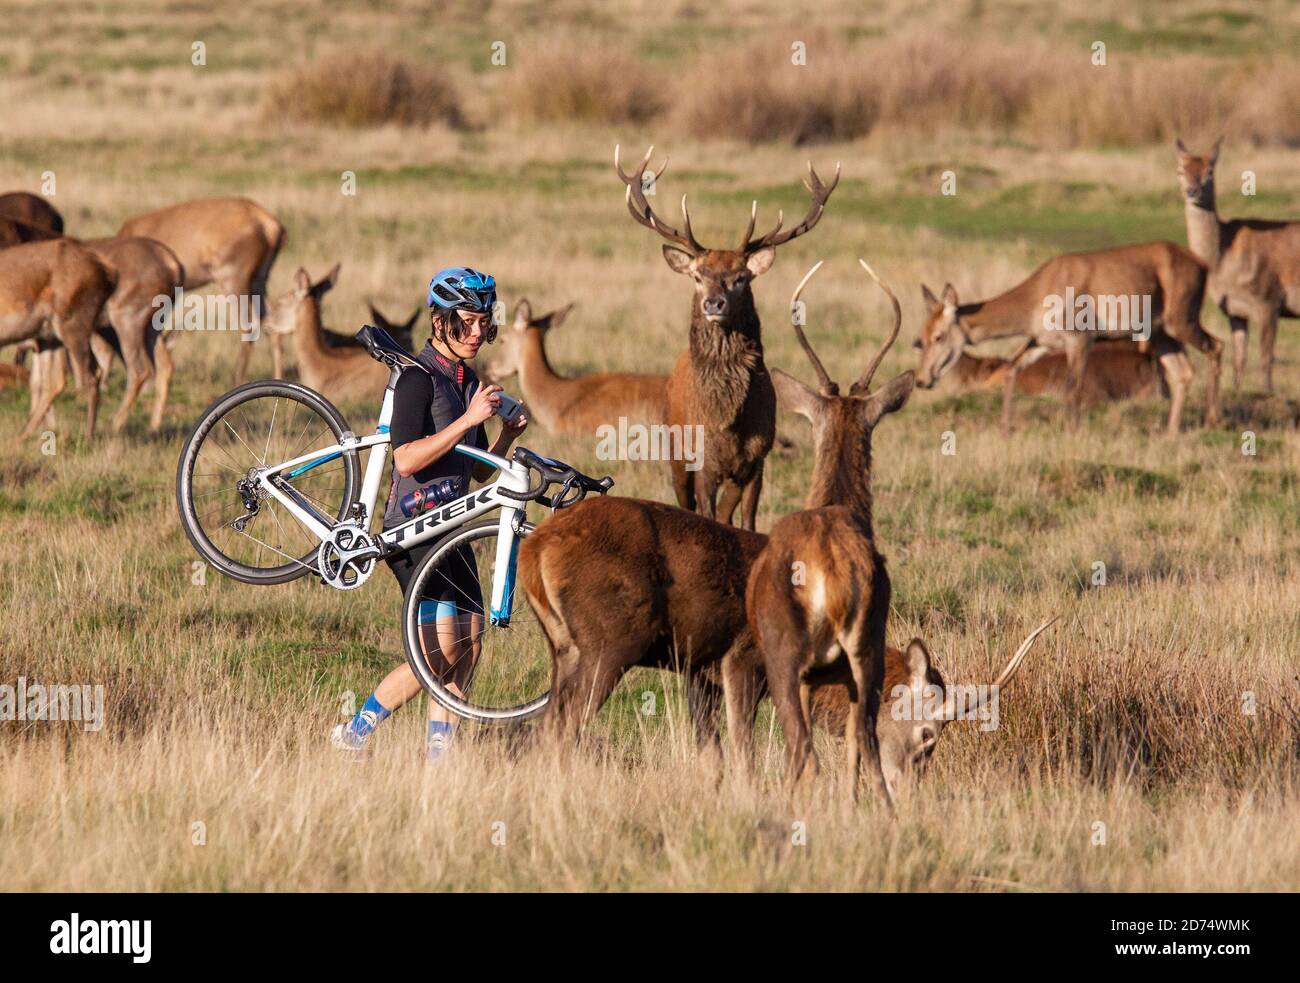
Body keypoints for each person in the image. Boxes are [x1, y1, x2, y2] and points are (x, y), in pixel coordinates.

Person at [331, 267, 527, 760]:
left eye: (484, 323)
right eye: (466, 322)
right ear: (439, 322)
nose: (477, 333)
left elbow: (479, 473)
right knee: (438, 653)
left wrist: (506, 435)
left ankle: (438, 761)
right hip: (412, 529)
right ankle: (353, 734)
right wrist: (468, 419)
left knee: (471, 647)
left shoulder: (467, 381)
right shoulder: (417, 379)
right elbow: (407, 458)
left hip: (451, 530)